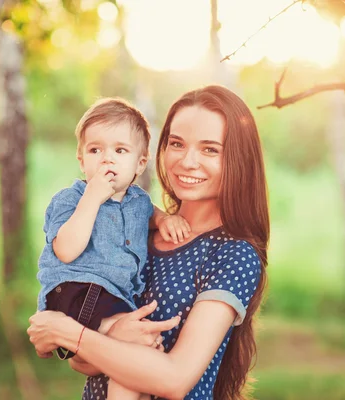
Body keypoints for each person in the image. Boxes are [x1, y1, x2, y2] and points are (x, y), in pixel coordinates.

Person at [29, 85, 270, 400]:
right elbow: (83, 363)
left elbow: (175, 379)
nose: (187, 161)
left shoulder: (233, 254)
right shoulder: (133, 232)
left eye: (210, 149)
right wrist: (104, 336)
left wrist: (66, 332)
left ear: (238, 159)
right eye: (177, 143)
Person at [36, 97, 190, 400]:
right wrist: (91, 199)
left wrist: (164, 219)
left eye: (120, 151)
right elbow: (65, 250)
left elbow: (147, 213)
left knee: (135, 359)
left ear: (139, 163)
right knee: (137, 343)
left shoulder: (138, 201)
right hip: (76, 293)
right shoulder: (71, 199)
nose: (107, 159)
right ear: (81, 160)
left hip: (112, 300)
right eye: (96, 150)